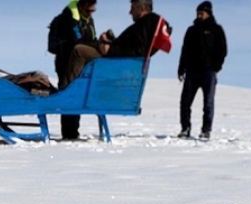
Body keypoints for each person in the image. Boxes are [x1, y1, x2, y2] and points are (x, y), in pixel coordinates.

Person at [60, 0, 170, 91]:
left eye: (132, 8)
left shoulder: (145, 24)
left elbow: (138, 51)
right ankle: (71, 89)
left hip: (114, 63)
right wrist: (109, 41)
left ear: (141, 9)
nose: (130, 12)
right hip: (115, 60)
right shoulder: (146, 24)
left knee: (79, 51)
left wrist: (110, 50)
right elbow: (131, 47)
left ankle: (66, 91)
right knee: (85, 46)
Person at [177, 1, 227, 140]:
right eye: (197, 13)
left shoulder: (216, 29)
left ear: (208, 13)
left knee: (208, 103)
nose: (199, 15)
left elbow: (222, 50)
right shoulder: (191, 30)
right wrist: (181, 68)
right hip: (192, 71)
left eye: (202, 13)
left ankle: (206, 130)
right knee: (185, 102)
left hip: (208, 72)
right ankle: (185, 128)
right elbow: (184, 51)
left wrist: (216, 66)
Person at [50, 0, 99, 140]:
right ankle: (69, 134)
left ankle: (72, 132)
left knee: (76, 94)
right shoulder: (69, 18)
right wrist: (97, 44)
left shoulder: (86, 19)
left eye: (93, 10)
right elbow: (79, 42)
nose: (91, 13)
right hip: (66, 64)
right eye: (90, 10)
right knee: (68, 93)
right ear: (82, 5)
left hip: (80, 64)